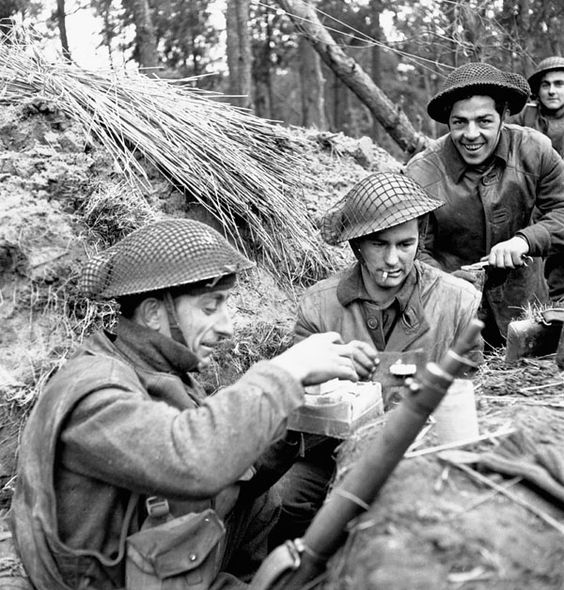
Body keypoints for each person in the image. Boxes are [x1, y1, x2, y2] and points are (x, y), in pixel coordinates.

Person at [10, 218, 376, 590]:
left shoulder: (157, 370)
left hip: (162, 561)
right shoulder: (95, 393)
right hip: (109, 582)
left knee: (263, 500)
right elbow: (194, 458)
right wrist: (284, 369)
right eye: (209, 307)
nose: (226, 326)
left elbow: (234, 465)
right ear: (154, 314)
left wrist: (304, 400)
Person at [268, 172, 482, 548]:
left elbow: (472, 396)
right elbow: (296, 400)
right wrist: (333, 385)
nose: (392, 259)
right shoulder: (320, 306)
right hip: (330, 455)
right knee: (281, 499)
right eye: (378, 244)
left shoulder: (458, 302)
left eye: (406, 244)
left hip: (423, 453)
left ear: (421, 240)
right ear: (356, 247)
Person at [404, 62, 564, 347]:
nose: (471, 134)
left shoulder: (535, 150)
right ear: (448, 122)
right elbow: (413, 248)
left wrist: (525, 241)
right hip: (451, 316)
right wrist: (448, 282)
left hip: (526, 306)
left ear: (503, 116)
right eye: (459, 122)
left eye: (484, 121)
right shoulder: (421, 172)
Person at [509, 56, 564, 301]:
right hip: (531, 204)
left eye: (560, 84)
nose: (552, 91)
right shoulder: (524, 118)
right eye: (546, 85)